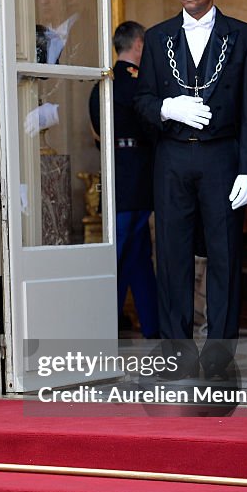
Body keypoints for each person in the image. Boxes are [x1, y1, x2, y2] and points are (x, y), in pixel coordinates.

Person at [133, 0, 247, 377]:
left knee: (225, 253)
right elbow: (141, 101)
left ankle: (220, 353)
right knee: (171, 255)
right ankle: (177, 351)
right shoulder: (157, 38)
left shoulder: (244, 36)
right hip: (172, 157)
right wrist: (167, 107)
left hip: (221, 157)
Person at [89, 21, 160, 340]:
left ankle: (150, 325)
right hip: (138, 173)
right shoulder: (137, 82)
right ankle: (109, 326)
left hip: (113, 169)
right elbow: (152, 125)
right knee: (122, 254)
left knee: (135, 255)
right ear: (140, 44)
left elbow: (97, 131)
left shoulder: (101, 83)